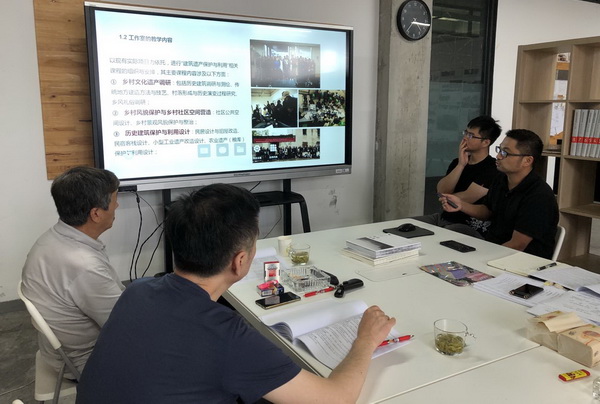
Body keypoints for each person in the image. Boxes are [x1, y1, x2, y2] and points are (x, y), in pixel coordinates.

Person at [76, 184, 395, 403]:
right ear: (240, 261)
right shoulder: (226, 336)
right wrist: (365, 340)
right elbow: (335, 399)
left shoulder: (137, 290)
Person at [21, 166, 125, 376]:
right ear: (96, 214)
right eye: (114, 200)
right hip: (88, 360)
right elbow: (124, 326)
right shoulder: (84, 266)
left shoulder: (51, 238)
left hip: (59, 352)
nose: (117, 205)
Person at [440, 129, 559, 259]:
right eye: (499, 150)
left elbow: (517, 245)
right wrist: (461, 205)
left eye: (505, 153)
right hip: (494, 248)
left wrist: (481, 258)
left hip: (522, 260)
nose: (498, 156)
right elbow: (487, 211)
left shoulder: (538, 195)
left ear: (527, 161)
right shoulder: (501, 179)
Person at [414, 116, 502, 237]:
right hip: (444, 217)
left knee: (438, 236)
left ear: (486, 142)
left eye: (471, 135)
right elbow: (441, 190)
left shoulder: (492, 168)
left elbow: (464, 198)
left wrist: (447, 196)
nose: (465, 138)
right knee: (406, 225)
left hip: (467, 224)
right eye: (465, 132)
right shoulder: (458, 162)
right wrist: (461, 165)